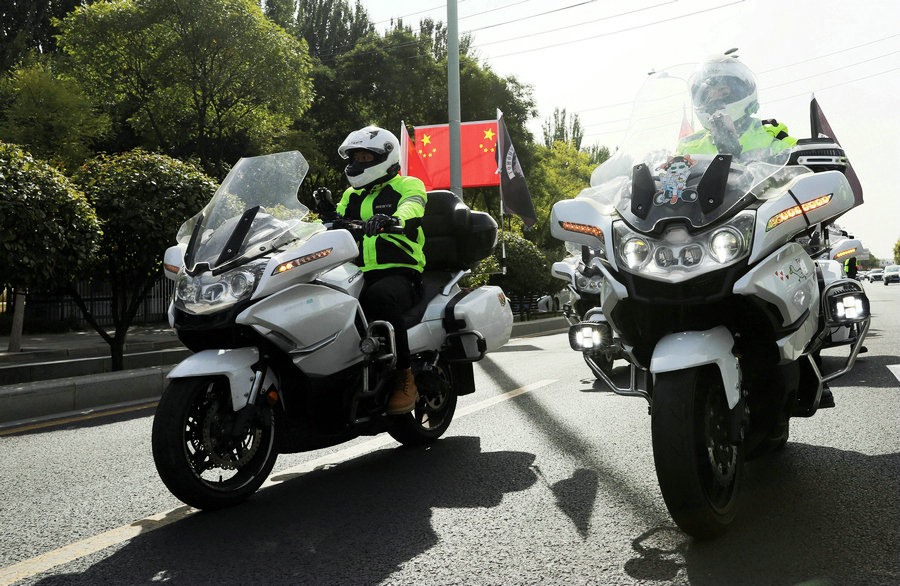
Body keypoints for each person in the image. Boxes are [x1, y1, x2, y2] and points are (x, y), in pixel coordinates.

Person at [335, 125, 428, 414]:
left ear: (385, 157)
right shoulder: (350, 195)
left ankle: (404, 375)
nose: (357, 163)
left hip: (400, 271)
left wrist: (393, 219)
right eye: (354, 158)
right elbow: (334, 222)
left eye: (364, 157)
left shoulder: (408, 185)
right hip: (355, 273)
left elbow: (413, 207)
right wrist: (323, 217)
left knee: (379, 298)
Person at [678, 51, 798, 158]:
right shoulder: (688, 146)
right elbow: (672, 170)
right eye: (708, 96)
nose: (715, 100)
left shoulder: (771, 135)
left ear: (742, 92)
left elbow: (798, 153)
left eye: (723, 92)